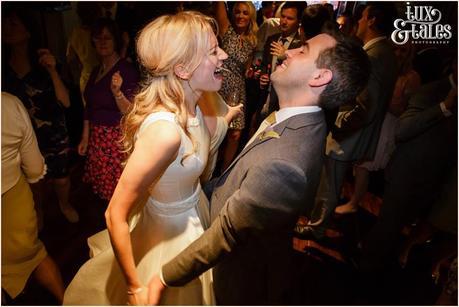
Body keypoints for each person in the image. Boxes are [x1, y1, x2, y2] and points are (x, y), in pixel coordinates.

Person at [147, 31, 370, 305]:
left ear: (319, 77)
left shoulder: (286, 163)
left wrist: (163, 277)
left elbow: (226, 234)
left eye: (303, 51)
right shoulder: (300, 121)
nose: (289, 52)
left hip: (233, 277)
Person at [64, 11, 241, 305]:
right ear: (183, 70)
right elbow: (114, 215)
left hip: (194, 213)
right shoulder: (165, 133)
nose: (223, 55)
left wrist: (229, 116)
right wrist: (134, 288)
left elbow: (205, 134)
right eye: (213, 51)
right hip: (169, 236)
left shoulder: (194, 106)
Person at [297, 3, 398, 239]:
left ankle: (316, 228)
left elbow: (366, 106)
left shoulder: (373, 56)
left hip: (350, 135)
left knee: (329, 185)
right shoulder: (387, 53)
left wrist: (340, 126)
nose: (359, 21)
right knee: (332, 182)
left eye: (362, 17)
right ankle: (317, 221)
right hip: (360, 134)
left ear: (371, 20)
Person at [2, 7, 79, 224]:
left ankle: (64, 204)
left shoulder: (45, 62)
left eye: (13, 23)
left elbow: (65, 101)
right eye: (4, 24)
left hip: (53, 132)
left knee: (61, 180)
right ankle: (39, 210)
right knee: (34, 181)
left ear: (28, 31)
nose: (7, 28)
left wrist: (53, 71)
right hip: (23, 137)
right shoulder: (4, 70)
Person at [2, 92, 65, 304]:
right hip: (13, 199)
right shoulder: (9, 104)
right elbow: (35, 167)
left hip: (11, 196)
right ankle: (67, 301)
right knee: (35, 256)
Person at [77, 18, 139, 202]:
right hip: (98, 140)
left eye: (107, 38)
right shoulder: (96, 70)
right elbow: (89, 106)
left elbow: (132, 112)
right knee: (104, 192)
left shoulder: (126, 71)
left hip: (116, 141)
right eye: (98, 38)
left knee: (119, 194)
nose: (102, 42)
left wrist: (117, 93)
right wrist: (85, 137)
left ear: (116, 41)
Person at [214, 1, 258, 171]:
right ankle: (209, 167)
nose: (240, 16)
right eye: (237, 12)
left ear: (251, 17)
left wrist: (251, 72)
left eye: (245, 13)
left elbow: (246, 68)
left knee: (235, 134)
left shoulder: (252, 40)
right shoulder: (226, 30)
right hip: (219, 87)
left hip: (238, 89)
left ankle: (223, 173)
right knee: (216, 129)